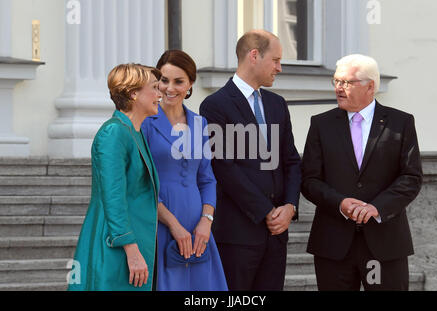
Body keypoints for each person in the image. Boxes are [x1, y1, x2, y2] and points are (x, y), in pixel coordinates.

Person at [301, 54, 423, 290]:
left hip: (385, 243)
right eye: (336, 81)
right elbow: (309, 180)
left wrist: (376, 208)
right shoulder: (321, 124)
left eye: (347, 82)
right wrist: (341, 203)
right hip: (333, 244)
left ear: (371, 87)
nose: (339, 88)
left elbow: (411, 177)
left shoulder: (400, 123)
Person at [199, 30, 302, 290]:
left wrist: (290, 206)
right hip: (237, 234)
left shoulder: (277, 104)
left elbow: (291, 160)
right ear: (254, 56)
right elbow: (224, 168)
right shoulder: (215, 105)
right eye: (276, 60)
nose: (279, 68)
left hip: (276, 234)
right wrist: (265, 211)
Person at [68, 63, 162, 291]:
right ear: (133, 93)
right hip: (115, 247)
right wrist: (131, 249)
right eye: (155, 87)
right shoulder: (114, 132)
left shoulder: (133, 131)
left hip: (132, 245)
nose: (160, 94)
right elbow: (113, 197)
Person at [141, 50, 228, 291]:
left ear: (190, 84)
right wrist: (174, 226)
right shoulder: (146, 122)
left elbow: (207, 179)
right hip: (159, 221)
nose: (170, 88)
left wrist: (206, 221)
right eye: (164, 80)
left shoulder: (199, 123)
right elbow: (142, 183)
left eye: (178, 81)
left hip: (197, 224)